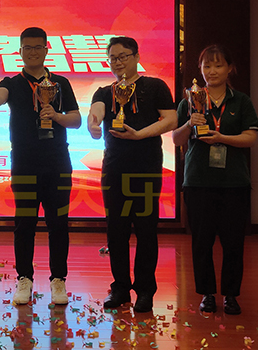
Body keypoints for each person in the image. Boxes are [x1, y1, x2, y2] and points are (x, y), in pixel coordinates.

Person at [0, 27, 81, 305]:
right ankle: (24, 278)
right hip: (24, 163)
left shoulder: (60, 83)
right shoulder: (12, 83)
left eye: (38, 47)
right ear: (20, 51)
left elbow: (76, 120)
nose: (33, 52)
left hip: (57, 162)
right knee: (24, 223)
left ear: (47, 49)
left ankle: (58, 279)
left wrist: (57, 116)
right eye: (28, 48)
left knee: (58, 223)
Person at [87, 36, 177, 313]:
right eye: (113, 58)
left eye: (123, 56)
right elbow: (96, 111)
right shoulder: (105, 91)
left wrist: (140, 135)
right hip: (114, 168)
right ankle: (120, 288)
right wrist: (93, 124)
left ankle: (145, 290)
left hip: (146, 167)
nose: (118, 62)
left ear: (137, 57)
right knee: (116, 230)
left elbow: (172, 119)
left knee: (146, 229)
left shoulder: (155, 86)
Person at [172, 45, 258, 315]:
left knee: (233, 242)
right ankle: (207, 294)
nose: (212, 71)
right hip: (198, 181)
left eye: (218, 65)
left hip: (234, 183)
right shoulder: (190, 100)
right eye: (207, 66)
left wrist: (221, 138)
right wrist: (189, 123)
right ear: (200, 69)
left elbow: (251, 137)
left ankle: (231, 295)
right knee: (201, 241)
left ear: (230, 68)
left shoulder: (241, 101)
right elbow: (176, 139)